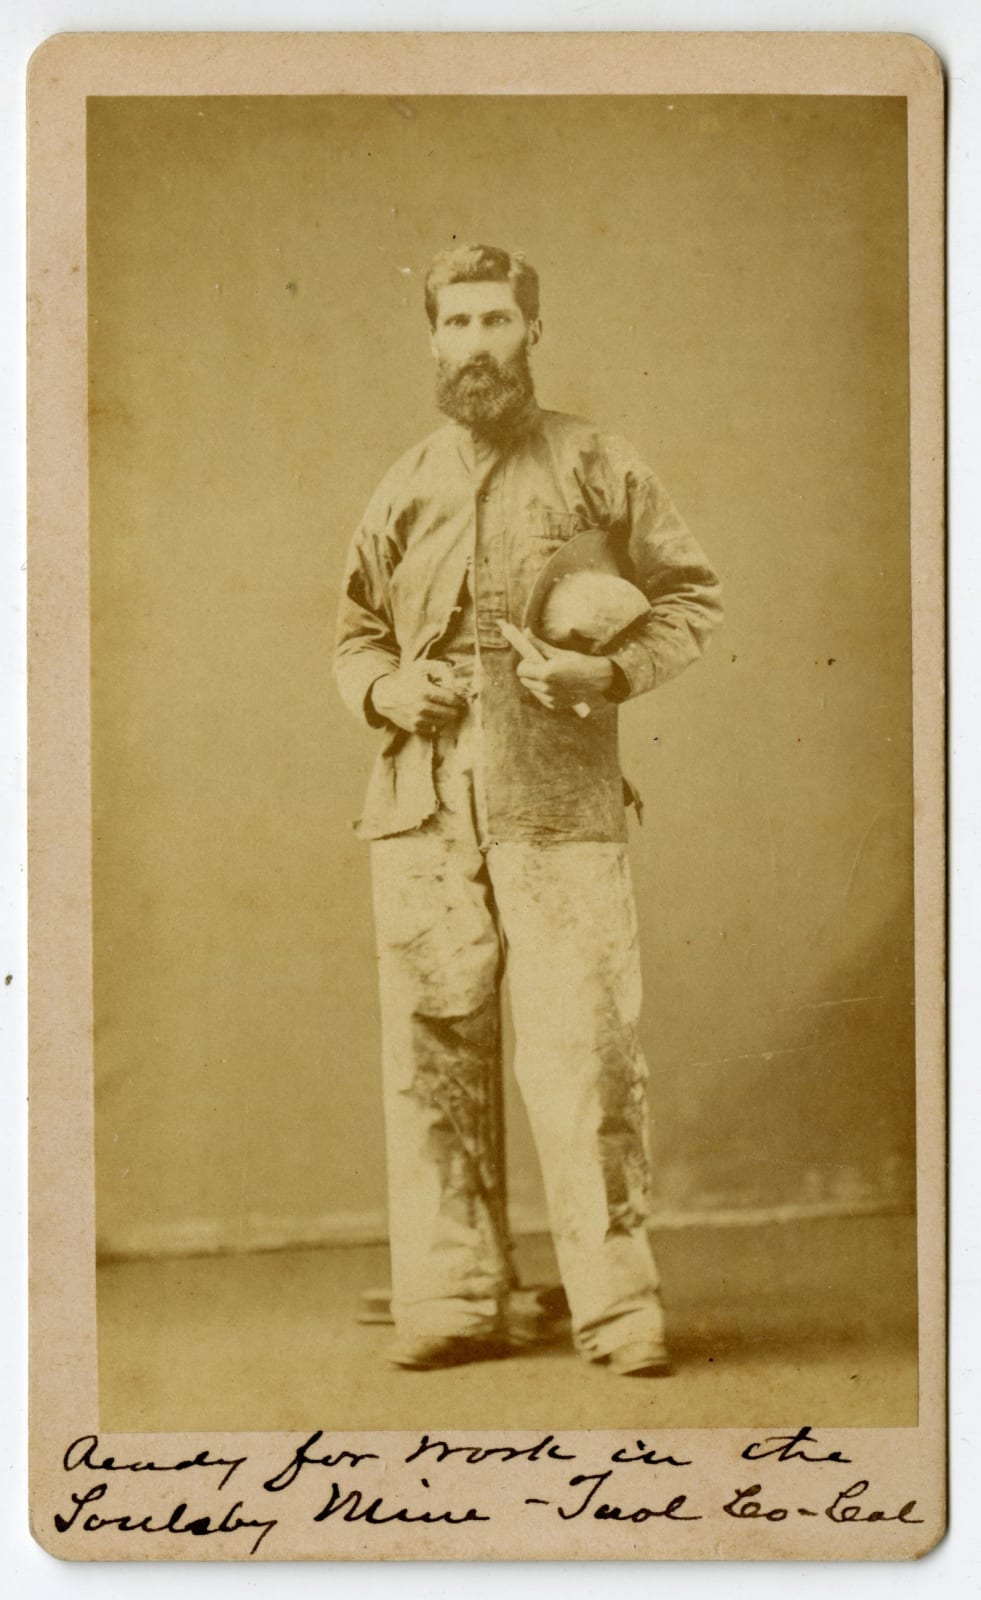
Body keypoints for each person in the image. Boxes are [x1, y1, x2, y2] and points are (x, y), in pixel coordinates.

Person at [333, 243, 722, 1377]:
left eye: (496, 321)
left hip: (559, 802)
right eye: (454, 324)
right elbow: (353, 631)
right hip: (419, 808)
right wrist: (387, 688)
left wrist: (603, 677)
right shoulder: (403, 482)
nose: (475, 346)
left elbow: (691, 596)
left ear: (533, 333)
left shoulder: (598, 462)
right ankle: (456, 1296)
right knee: (434, 1053)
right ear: (433, 340)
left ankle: (616, 1306)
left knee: (587, 1054)